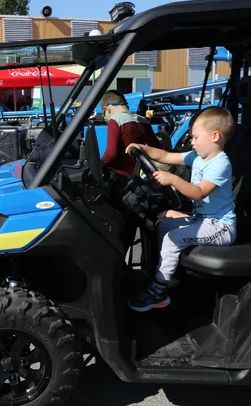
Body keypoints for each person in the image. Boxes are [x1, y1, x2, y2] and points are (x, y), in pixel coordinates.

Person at [125, 106, 237, 312]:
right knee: (164, 226)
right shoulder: (197, 157)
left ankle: (158, 292)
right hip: (202, 220)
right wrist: (142, 148)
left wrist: (173, 179)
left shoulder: (220, 164)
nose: (191, 142)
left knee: (172, 238)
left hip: (221, 227)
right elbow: (166, 157)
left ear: (214, 136)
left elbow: (199, 193)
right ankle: (168, 276)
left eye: (195, 137)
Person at [101, 90, 164, 176]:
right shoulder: (143, 121)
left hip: (119, 177)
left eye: (104, 115)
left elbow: (111, 153)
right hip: (137, 176)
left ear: (107, 109)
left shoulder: (115, 120)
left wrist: (98, 165)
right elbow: (157, 148)